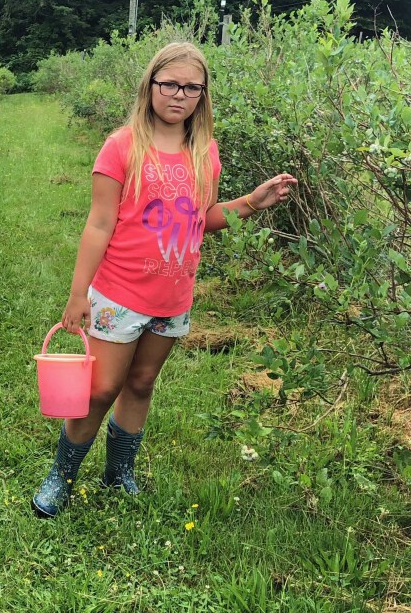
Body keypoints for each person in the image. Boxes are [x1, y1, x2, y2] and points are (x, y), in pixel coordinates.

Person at [31, 42, 297, 518]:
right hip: (118, 295)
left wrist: (253, 203)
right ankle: (62, 476)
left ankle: (119, 473)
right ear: (150, 85)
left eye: (191, 88)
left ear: (203, 95)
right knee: (100, 389)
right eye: (170, 84)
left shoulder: (204, 153)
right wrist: (78, 294)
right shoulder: (121, 147)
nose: (179, 95)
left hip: (172, 298)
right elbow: (98, 224)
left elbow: (204, 218)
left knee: (142, 383)